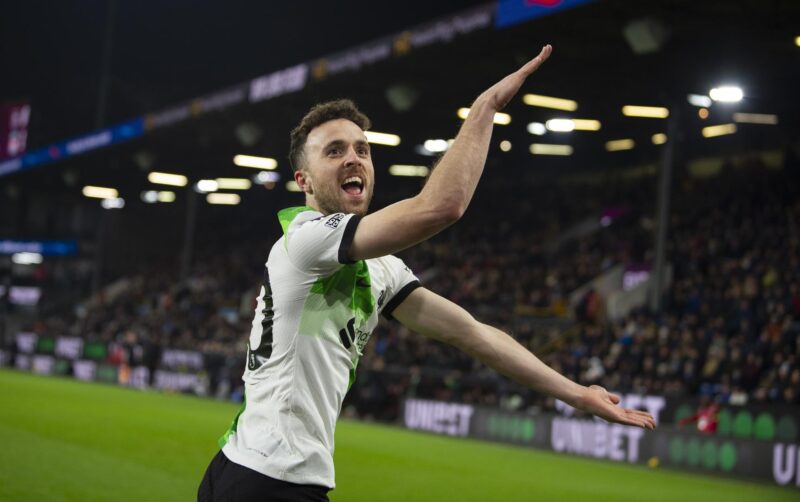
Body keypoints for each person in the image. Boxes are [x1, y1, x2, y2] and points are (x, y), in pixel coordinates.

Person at [198, 44, 656, 502]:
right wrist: (484, 110)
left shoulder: (380, 268)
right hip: (271, 480)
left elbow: (472, 334)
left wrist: (577, 394)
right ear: (305, 181)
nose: (354, 158)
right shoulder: (304, 240)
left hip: (247, 467)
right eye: (334, 151)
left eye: (362, 149)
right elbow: (441, 206)